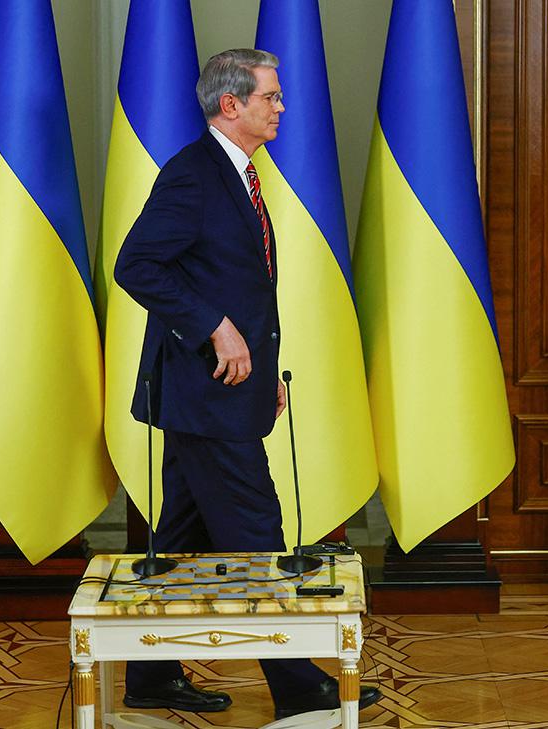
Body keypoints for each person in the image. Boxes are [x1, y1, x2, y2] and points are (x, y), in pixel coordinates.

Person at [114, 48, 380, 721]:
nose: (281, 106)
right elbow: (136, 265)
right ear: (231, 104)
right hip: (205, 394)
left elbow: (236, 280)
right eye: (271, 96)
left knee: (180, 538)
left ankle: (150, 678)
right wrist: (215, 329)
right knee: (258, 529)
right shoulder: (193, 174)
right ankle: (298, 685)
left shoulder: (239, 174)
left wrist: (259, 366)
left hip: (223, 390)